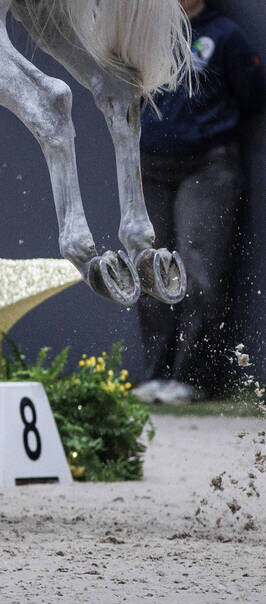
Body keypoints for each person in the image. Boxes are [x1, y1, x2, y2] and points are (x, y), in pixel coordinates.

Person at [135, 0, 265, 404]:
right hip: (150, 164)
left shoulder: (225, 34)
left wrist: (205, 123)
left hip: (207, 166)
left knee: (198, 270)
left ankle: (189, 378)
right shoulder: (149, 33)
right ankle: (155, 375)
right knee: (151, 269)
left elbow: (252, 95)